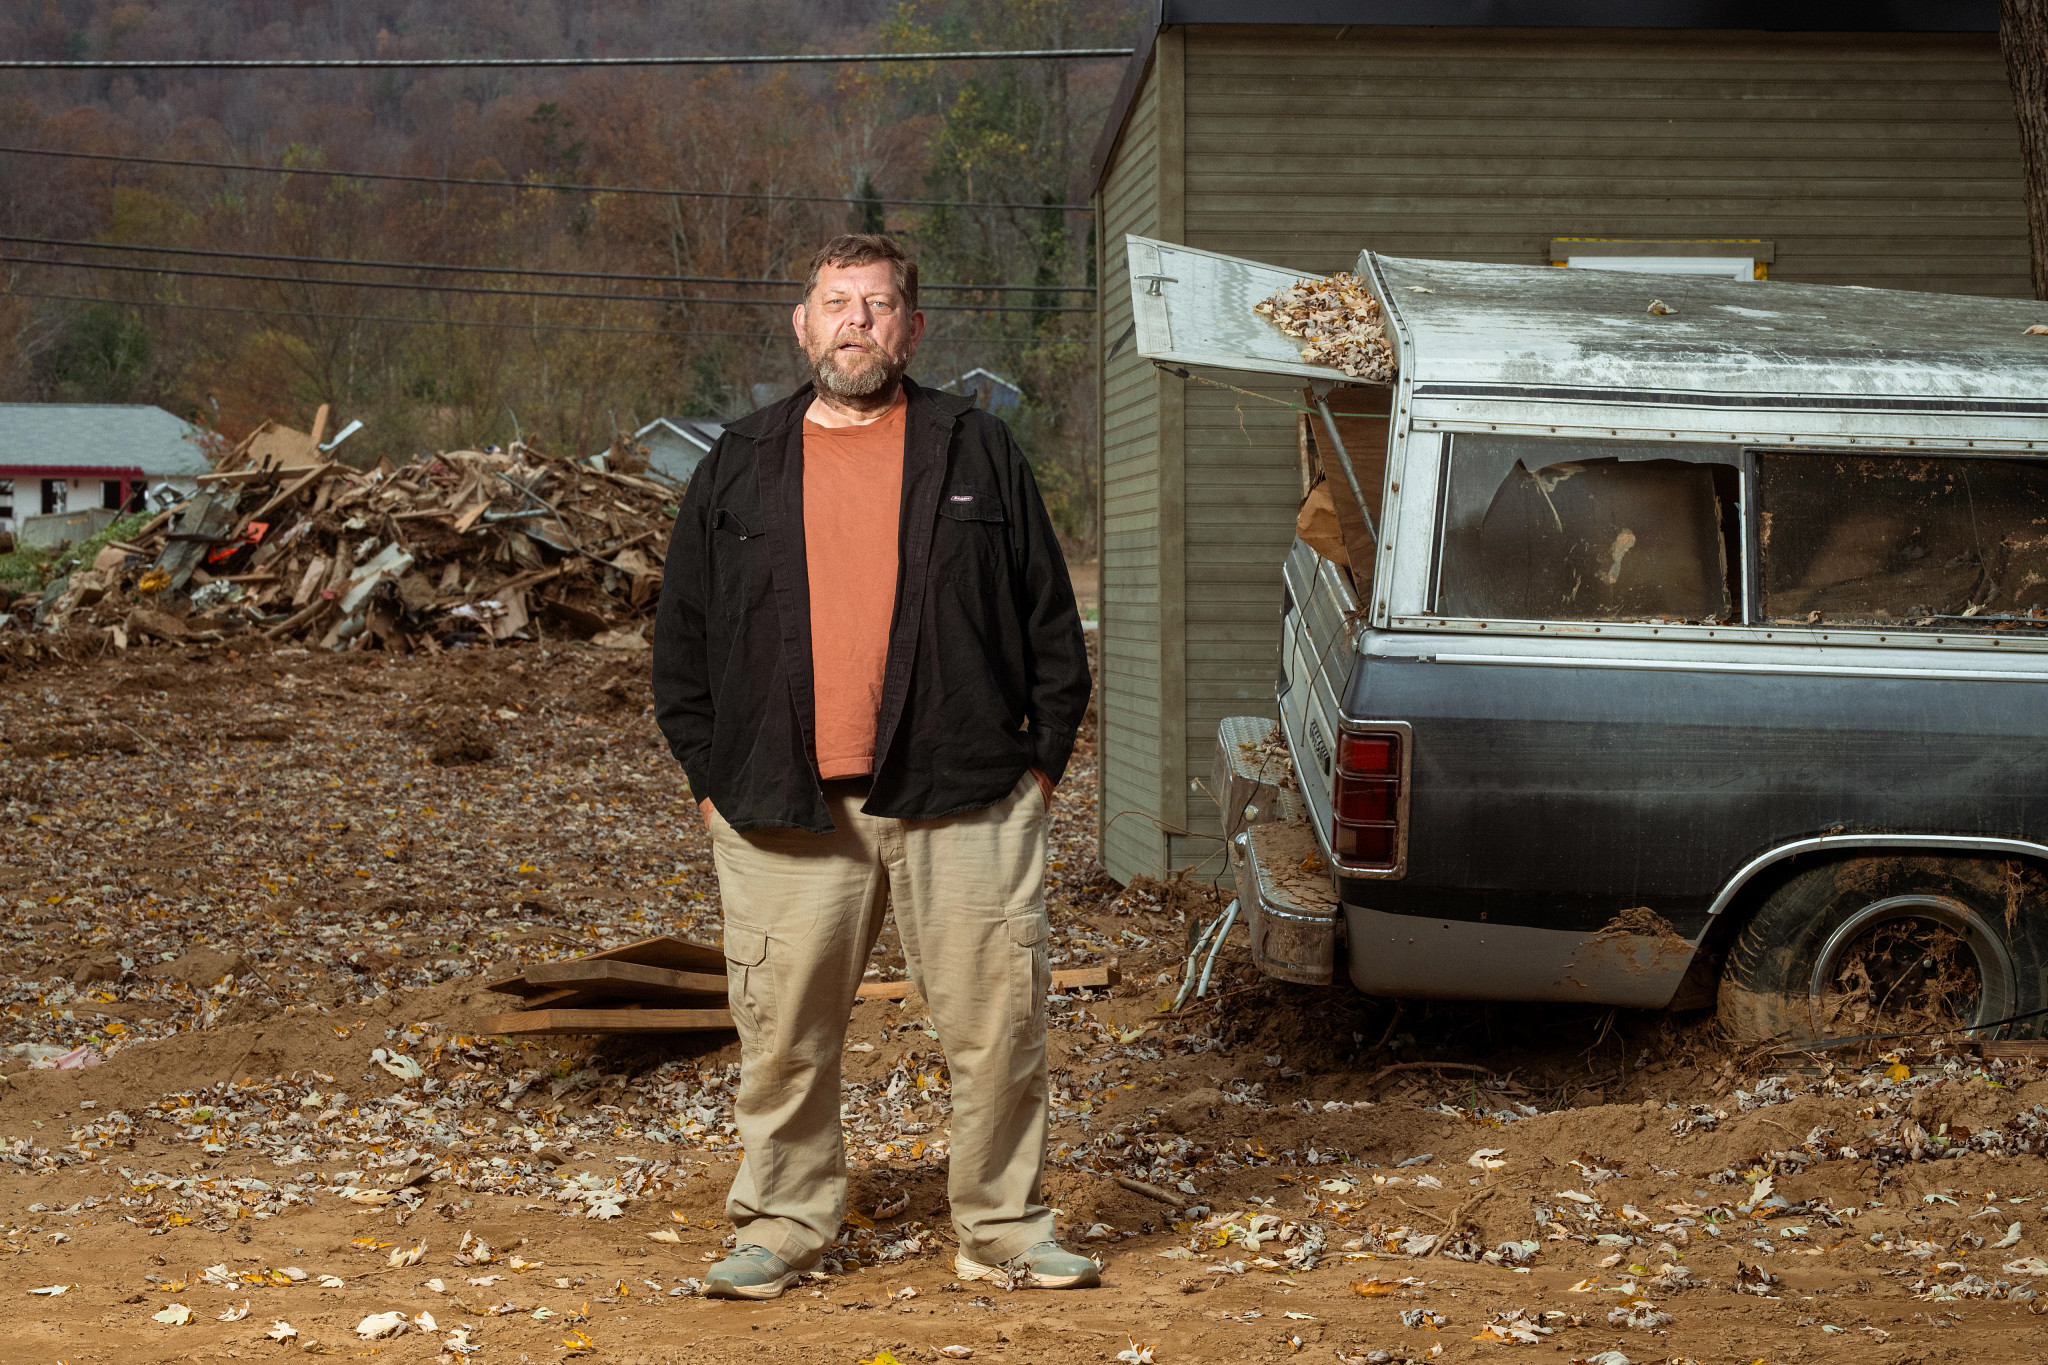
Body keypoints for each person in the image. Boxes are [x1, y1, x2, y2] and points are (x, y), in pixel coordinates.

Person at [652, 233, 1095, 1300]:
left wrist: (1037, 770)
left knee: (997, 1029)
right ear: (801, 325)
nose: (856, 320)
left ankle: (1002, 1228)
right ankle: (781, 1226)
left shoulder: (975, 451)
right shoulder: (738, 463)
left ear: (911, 328)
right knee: (785, 1035)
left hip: (968, 796)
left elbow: (1049, 628)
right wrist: (710, 779)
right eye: (835, 302)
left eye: (879, 302)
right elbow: (681, 640)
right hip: (781, 806)